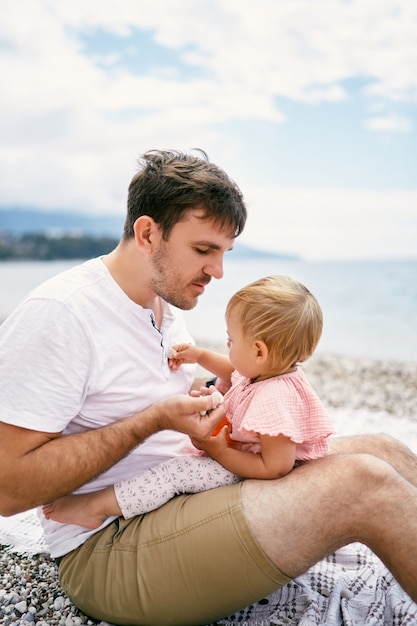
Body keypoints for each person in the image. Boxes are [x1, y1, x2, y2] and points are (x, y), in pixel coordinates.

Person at [1, 149, 417, 626]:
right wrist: (154, 420)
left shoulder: (164, 305)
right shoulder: (62, 314)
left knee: (385, 451)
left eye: (224, 253)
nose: (217, 272)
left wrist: (211, 398)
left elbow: (161, 392)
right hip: (109, 548)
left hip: (184, 495)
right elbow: (8, 489)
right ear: (147, 233)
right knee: (366, 485)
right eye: (203, 251)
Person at [42, 274, 335, 529]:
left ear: (259, 351)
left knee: (175, 473)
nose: (228, 345)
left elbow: (276, 467)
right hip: (243, 459)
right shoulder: (266, 372)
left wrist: (219, 452)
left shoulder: (276, 399)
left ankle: (94, 508)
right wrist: (200, 356)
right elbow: (234, 372)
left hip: (258, 480)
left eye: (231, 340)